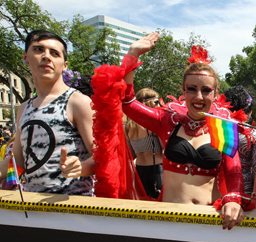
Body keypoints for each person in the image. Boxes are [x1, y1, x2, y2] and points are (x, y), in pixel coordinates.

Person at [92, 32, 247, 230]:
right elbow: (128, 102)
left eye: (206, 90)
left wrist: (233, 199)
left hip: (210, 223)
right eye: (192, 89)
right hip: (170, 221)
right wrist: (133, 54)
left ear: (215, 94)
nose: (199, 96)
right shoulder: (167, 120)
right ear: (183, 91)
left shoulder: (224, 126)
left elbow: (233, 171)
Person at [0, 30, 94, 194]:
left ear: (65, 65)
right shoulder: (23, 108)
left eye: (55, 53)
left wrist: (82, 167)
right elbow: (17, 163)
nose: (46, 56)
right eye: (38, 49)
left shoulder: (78, 101)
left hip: (74, 208)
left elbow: (105, 157)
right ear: (25, 58)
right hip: (33, 209)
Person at [125, 88, 163, 199]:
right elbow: (165, 149)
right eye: (156, 102)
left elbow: (131, 154)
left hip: (139, 171)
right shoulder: (153, 125)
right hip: (157, 170)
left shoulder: (128, 126)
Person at [223, 85, 256, 197]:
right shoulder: (253, 134)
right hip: (245, 190)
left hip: (218, 186)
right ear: (249, 111)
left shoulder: (216, 127)